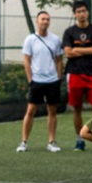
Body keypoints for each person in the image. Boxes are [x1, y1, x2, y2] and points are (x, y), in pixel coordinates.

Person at [61, 0, 92, 152]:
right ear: (75, 14)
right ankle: (80, 140)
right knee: (77, 108)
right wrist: (88, 48)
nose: (81, 14)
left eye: (83, 11)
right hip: (74, 74)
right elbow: (67, 52)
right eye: (78, 11)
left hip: (91, 74)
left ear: (88, 12)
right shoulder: (69, 32)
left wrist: (77, 50)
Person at [17, 11, 64, 153]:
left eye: (48, 19)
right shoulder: (30, 39)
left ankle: (51, 142)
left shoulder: (55, 39)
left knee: (52, 111)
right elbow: (27, 60)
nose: (45, 21)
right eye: (43, 19)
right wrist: (30, 79)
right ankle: (24, 142)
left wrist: (59, 77)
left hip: (52, 81)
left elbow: (59, 60)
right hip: (36, 81)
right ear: (37, 21)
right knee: (30, 110)